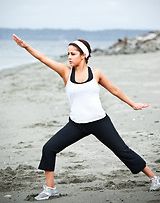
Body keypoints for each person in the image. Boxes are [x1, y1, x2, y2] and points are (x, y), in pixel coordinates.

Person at [13, 34, 160, 200]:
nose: (69, 57)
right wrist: (26, 46)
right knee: (49, 148)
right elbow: (43, 58)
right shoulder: (65, 72)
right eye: (68, 53)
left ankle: (154, 178)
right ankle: (50, 189)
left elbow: (115, 90)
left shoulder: (96, 73)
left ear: (84, 55)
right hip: (76, 124)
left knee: (122, 150)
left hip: (99, 122)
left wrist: (133, 104)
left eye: (73, 54)